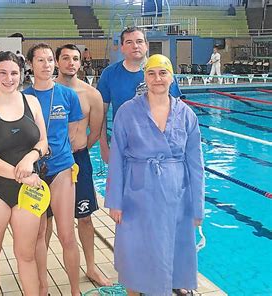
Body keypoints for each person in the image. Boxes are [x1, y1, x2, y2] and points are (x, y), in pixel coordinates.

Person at [105, 54, 205, 296]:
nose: (157, 78)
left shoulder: (186, 114)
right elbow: (117, 157)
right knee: (134, 248)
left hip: (176, 195)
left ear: (172, 78)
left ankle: (170, 287)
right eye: (151, 73)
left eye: (163, 73)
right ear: (145, 78)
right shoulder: (128, 111)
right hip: (136, 194)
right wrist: (115, 202)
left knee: (173, 247)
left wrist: (197, 207)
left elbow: (196, 164)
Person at [0, 51, 48, 295]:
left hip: (28, 190)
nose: (9, 78)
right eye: (2, 72)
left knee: (26, 254)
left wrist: (30, 157)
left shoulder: (31, 102)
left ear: (22, 75)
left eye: (14, 73)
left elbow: (43, 141)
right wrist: (21, 173)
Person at [23, 43, 84, 295]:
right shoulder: (24, 97)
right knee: (38, 235)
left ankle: (74, 290)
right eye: (40, 60)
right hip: (34, 174)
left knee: (67, 234)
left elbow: (76, 133)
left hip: (61, 169)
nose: (46, 65)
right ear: (30, 65)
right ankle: (43, 288)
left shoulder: (68, 95)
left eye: (50, 60)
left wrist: (59, 152)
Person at [50, 44, 110, 286]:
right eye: (65, 58)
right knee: (44, 221)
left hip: (78, 160)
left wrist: (79, 148)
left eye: (75, 58)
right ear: (56, 62)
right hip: (49, 162)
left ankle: (92, 268)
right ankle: (39, 272)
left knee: (84, 218)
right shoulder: (46, 92)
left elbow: (95, 132)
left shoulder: (91, 95)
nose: (71, 63)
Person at [97, 26, 182, 163]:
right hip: (125, 146)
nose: (135, 46)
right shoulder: (110, 74)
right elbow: (101, 113)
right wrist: (104, 147)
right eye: (129, 42)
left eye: (139, 41)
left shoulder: (163, 72)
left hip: (162, 146)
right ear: (122, 47)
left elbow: (178, 113)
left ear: (146, 45)